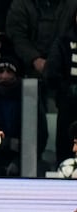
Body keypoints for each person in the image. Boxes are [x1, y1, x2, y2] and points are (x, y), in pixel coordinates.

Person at [44, 9, 77, 167]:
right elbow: (51, 73)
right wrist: (67, 90)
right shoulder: (63, 42)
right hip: (68, 107)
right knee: (66, 152)